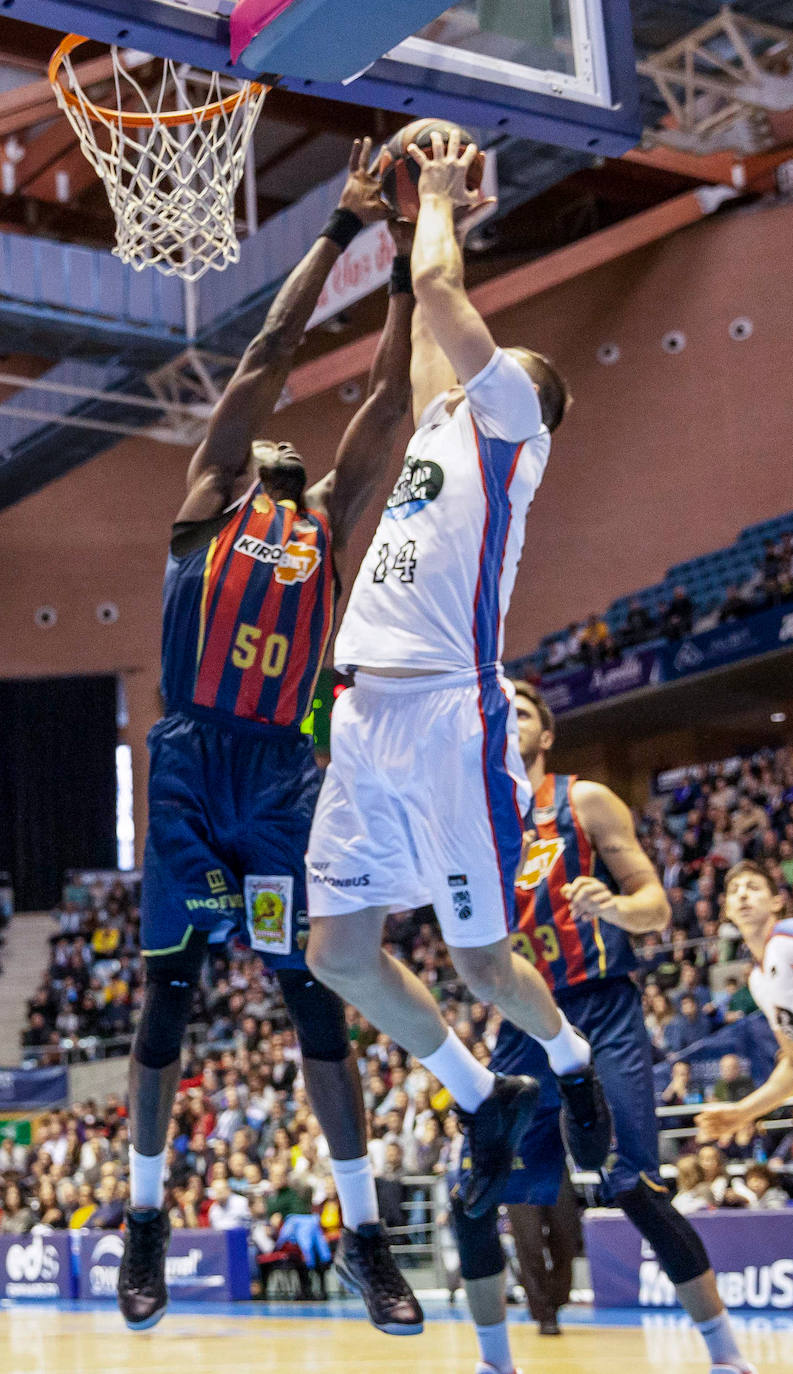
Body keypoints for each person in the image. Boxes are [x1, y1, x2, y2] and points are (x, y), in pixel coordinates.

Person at [117, 139, 422, 1337]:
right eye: (270, 444)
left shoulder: (334, 519)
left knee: (314, 1012)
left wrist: (407, 258)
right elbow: (265, 354)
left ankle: (364, 1239)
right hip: (193, 767)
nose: (287, 442)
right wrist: (344, 228)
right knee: (163, 1009)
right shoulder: (207, 499)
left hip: (283, 778)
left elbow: (391, 402)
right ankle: (145, 1221)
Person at [305, 127, 610, 1224]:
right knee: (338, 952)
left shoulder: (514, 426)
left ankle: (569, 1066)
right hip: (361, 710)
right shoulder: (451, 421)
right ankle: (483, 1093)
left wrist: (434, 199)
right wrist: (442, 228)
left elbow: (436, 295)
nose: (480, 356)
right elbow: (439, 321)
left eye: (498, 353)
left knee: (482, 965)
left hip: (444, 710)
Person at [449, 682, 756, 1374]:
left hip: (601, 1005)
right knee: (475, 1192)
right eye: (501, 714)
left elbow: (655, 907)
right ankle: (495, 1363)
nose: (510, 722)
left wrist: (615, 907)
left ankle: (726, 1357)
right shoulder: (476, 820)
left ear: (546, 735)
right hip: (524, 1020)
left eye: (523, 712)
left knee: (631, 1184)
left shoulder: (582, 800)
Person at [696, 861, 793, 1146]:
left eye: (752, 887)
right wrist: (743, 1112)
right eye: (734, 890)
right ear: (726, 910)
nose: (742, 895)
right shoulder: (758, 983)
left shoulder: (787, 937)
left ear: (777, 901)